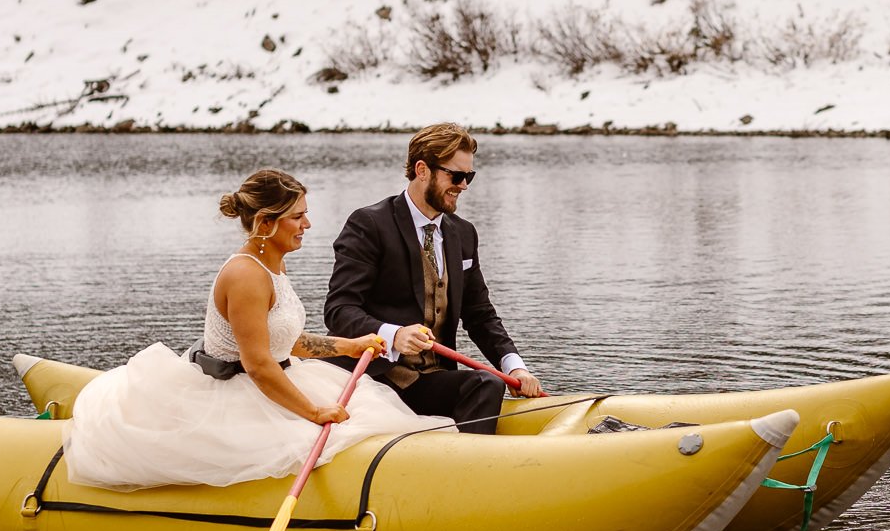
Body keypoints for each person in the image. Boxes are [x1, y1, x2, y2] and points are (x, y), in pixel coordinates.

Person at [62, 169, 444, 491]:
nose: (307, 225)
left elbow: (287, 341)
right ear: (266, 223)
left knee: (372, 417)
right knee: (331, 432)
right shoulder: (246, 275)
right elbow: (259, 364)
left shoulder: (273, 264)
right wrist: (313, 413)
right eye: (297, 217)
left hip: (278, 374)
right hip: (239, 389)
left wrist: (350, 345)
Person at [322, 123, 545, 436]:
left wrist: (514, 366)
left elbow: (480, 314)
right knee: (485, 384)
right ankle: (470, 469)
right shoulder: (369, 224)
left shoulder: (464, 233)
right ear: (422, 169)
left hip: (429, 378)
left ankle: (472, 466)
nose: (464, 185)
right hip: (375, 378)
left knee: (488, 383)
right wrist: (393, 335)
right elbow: (339, 310)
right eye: (456, 176)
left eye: (470, 176)